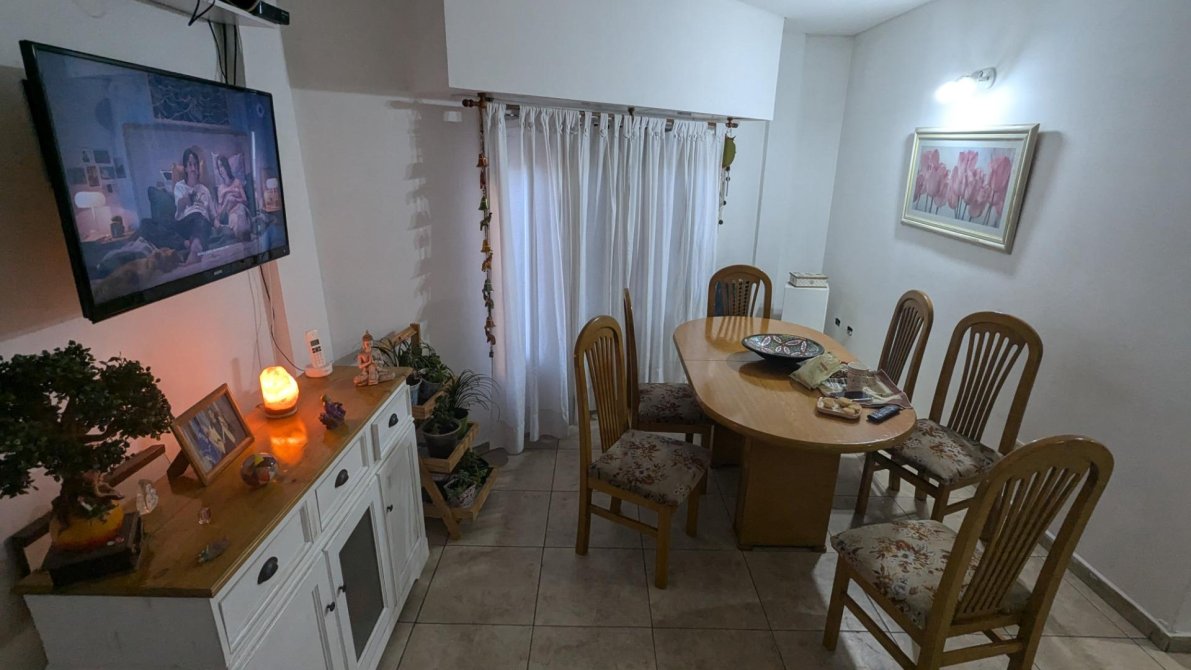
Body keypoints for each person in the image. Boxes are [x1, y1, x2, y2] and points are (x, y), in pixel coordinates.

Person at [173, 147, 215, 264]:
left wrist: (218, 224)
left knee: (201, 218)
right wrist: (184, 200)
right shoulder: (179, 187)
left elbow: (213, 215)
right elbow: (179, 210)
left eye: (195, 165)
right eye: (190, 165)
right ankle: (187, 243)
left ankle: (195, 248)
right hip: (184, 223)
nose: (193, 168)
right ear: (185, 168)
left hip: (201, 222)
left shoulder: (204, 190)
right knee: (147, 224)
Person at [215, 155, 252, 241]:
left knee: (241, 214)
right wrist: (227, 201)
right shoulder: (220, 189)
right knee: (235, 220)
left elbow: (246, 201)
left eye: (222, 166)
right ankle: (243, 235)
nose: (221, 170)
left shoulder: (237, 182)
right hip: (231, 213)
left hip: (241, 208)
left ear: (226, 166)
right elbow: (220, 214)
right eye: (219, 167)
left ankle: (244, 233)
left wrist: (236, 200)